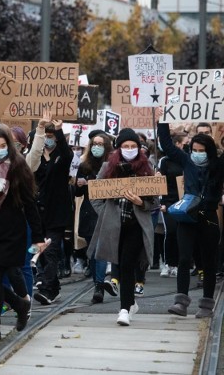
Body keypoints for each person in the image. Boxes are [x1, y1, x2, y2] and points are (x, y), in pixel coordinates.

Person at [0, 127, 46, 340]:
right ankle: (19, 303)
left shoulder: (16, 167)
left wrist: (37, 236)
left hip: (11, 229)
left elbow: (29, 203)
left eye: (2, 146)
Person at [88, 128, 158, 326]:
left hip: (136, 225)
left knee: (127, 265)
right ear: (119, 148)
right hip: (115, 226)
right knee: (120, 263)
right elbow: (95, 194)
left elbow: (154, 202)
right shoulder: (108, 167)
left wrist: (140, 202)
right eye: (126, 146)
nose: (129, 149)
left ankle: (124, 309)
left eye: (133, 146)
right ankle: (130, 303)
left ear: (139, 148)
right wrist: (105, 213)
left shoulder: (146, 168)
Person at [158, 120, 224, 318]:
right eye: (194, 149)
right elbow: (168, 145)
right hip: (188, 216)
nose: (197, 153)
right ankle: (181, 302)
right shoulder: (186, 161)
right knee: (184, 258)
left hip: (209, 216)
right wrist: (163, 121)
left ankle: (206, 305)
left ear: (209, 150)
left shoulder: (218, 165)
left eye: (201, 150)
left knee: (208, 261)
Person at [33, 118, 73, 305]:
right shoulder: (36, 157)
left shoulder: (61, 155)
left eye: (51, 136)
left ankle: (47, 289)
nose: (48, 139)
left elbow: (67, 155)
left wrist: (59, 130)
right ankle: (53, 286)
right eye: (45, 136)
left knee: (51, 251)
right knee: (38, 251)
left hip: (56, 212)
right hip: (38, 212)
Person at [76, 130, 112, 303]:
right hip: (89, 211)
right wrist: (78, 183)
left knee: (101, 250)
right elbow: (76, 191)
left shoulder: (112, 165)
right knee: (92, 250)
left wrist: (92, 183)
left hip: (104, 211)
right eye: (94, 144)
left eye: (100, 144)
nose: (97, 147)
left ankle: (99, 286)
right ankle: (96, 280)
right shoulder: (84, 165)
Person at [158, 131, 188, 278]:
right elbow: (161, 182)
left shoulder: (187, 159)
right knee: (170, 232)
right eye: (184, 143)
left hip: (184, 202)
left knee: (180, 233)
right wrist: (162, 202)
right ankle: (167, 263)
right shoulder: (165, 161)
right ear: (177, 144)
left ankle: (176, 264)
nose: (186, 146)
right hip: (168, 201)